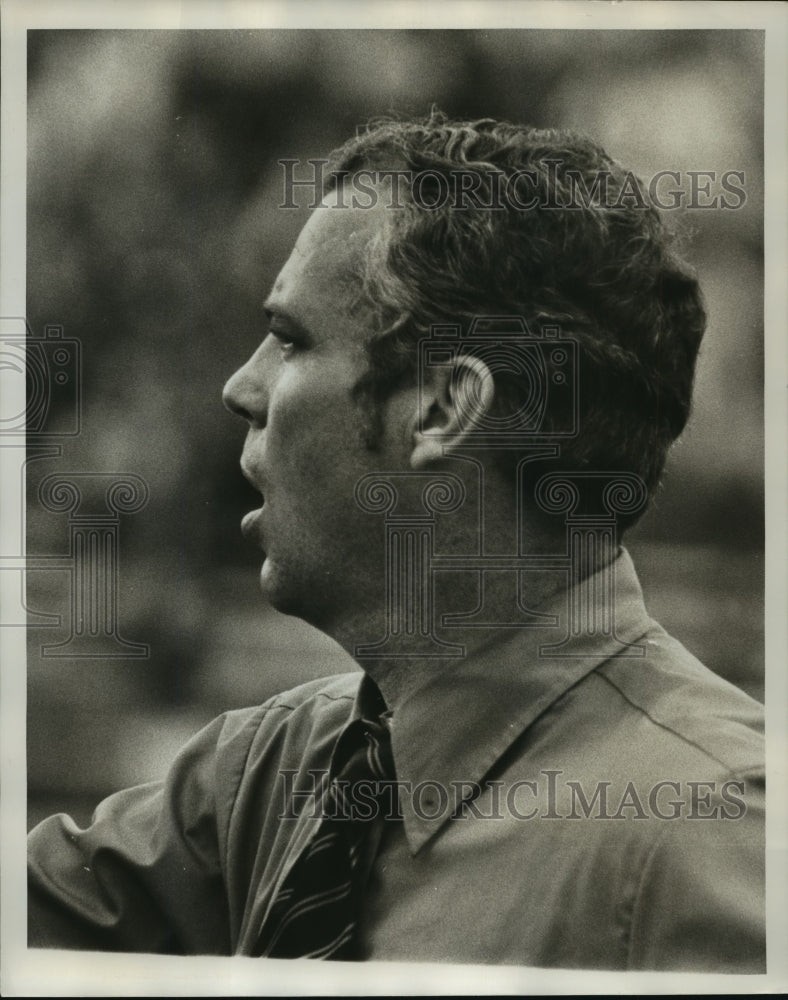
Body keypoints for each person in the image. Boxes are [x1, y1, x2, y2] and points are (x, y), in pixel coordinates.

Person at [28, 113, 764, 971]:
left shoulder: (711, 836)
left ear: (446, 408)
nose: (242, 385)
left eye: (291, 338)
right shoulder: (262, 779)